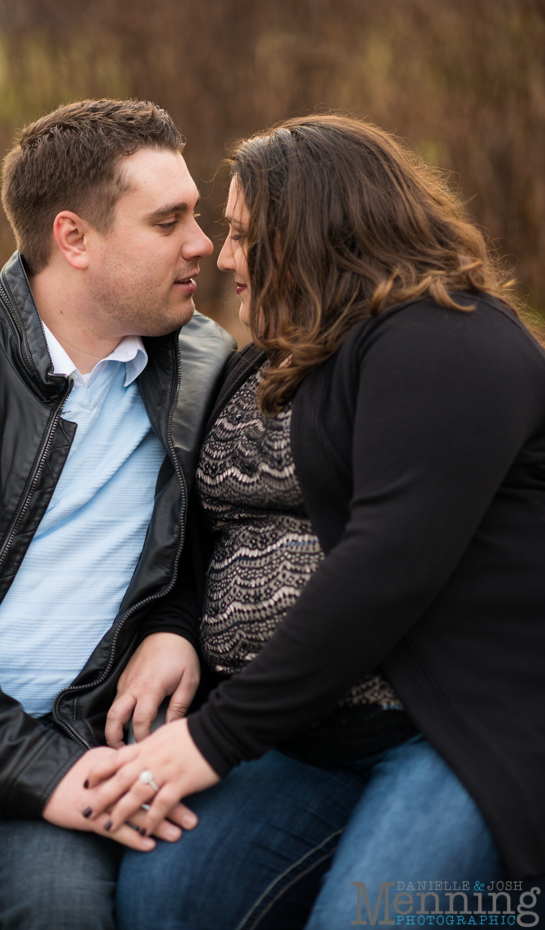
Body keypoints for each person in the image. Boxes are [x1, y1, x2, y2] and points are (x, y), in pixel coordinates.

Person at [80, 114, 545, 928]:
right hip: (304, 736)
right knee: (166, 903)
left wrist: (212, 740)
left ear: (319, 233)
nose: (223, 258)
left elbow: (382, 568)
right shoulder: (266, 360)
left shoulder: (451, 341)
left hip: (450, 729)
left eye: (242, 236)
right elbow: (203, 536)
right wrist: (176, 627)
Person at [0, 98, 233, 930]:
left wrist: (176, 626)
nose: (203, 244)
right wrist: (39, 772)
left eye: (198, 215)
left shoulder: (208, 373)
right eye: (168, 220)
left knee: (66, 915)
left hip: (72, 741)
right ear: (74, 239)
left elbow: (224, 544)